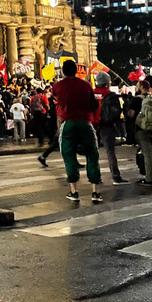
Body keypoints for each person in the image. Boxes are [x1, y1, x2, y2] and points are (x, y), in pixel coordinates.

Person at [52, 60, 102, 203]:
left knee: (68, 155)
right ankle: (95, 192)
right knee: (92, 154)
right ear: (76, 70)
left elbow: (57, 99)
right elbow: (93, 105)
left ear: (63, 71)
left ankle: (74, 191)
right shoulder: (86, 85)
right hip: (85, 123)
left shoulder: (57, 86)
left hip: (68, 123)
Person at [93, 72, 127, 185]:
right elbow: (116, 114)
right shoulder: (111, 95)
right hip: (107, 126)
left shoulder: (91, 93)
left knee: (92, 152)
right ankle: (116, 177)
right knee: (110, 152)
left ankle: (95, 177)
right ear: (107, 83)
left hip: (92, 125)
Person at [133, 80, 152, 185]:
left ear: (142, 87)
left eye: (137, 86)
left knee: (148, 154)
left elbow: (130, 114)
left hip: (142, 130)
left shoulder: (136, 100)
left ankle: (149, 178)